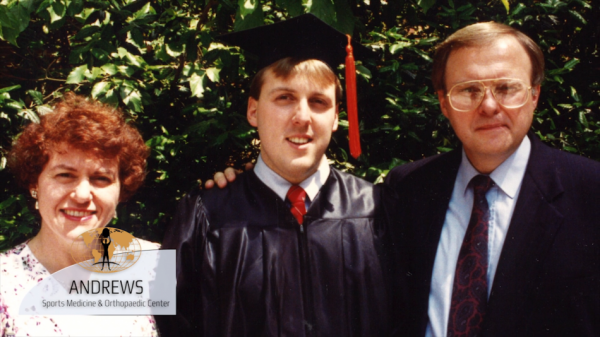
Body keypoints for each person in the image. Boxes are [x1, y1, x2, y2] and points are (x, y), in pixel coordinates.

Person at [155, 14, 396, 336]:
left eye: (319, 102)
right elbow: (164, 321)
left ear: (336, 117)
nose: (302, 117)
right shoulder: (206, 214)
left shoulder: (377, 210)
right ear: (253, 110)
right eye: (284, 98)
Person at [385, 22, 600, 336]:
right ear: (444, 103)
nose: (488, 106)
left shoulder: (590, 192)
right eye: (468, 90)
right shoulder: (408, 189)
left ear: (535, 95)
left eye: (506, 88)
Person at [0, 94, 159, 336]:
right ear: (35, 183)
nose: (83, 195)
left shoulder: (155, 268)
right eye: (65, 175)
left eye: (101, 178)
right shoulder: (5, 284)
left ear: (121, 190)